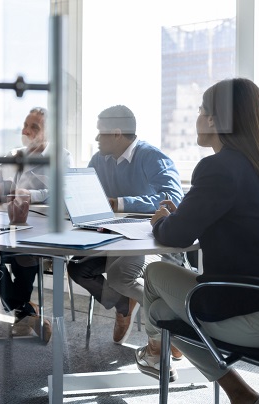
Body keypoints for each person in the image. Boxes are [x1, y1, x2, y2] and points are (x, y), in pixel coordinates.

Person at [135, 78, 259, 404]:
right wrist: (184, 214)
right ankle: (237, 392)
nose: (196, 117)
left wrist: (161, 221)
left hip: (250, 316)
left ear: (214, 120)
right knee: (158, 309)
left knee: (154, 277)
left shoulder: (219, 167)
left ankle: (159, 351)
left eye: (200, 110)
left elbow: (175, 235)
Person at [67, 105, 184, 345]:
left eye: (101, 132)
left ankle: (173, 329)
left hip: (147, 239)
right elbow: (81, 191)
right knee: (77, 268)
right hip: (113, 237)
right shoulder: (100, 159)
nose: (97, 138)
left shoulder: (151, 156)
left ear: (117, 133)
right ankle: (124, 306)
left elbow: (173, 199)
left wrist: (120, 202)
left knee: (120, 277)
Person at [0, 107, 73, 342]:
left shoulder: (61, 156)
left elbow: (61, 190)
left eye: (34, 127)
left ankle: (23, 314)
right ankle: (26, 311)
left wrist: (28, 194)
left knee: (25, 254)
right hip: (6, 225)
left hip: (38, 229)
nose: (26, 130)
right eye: (25, 125)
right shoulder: (13, 154)